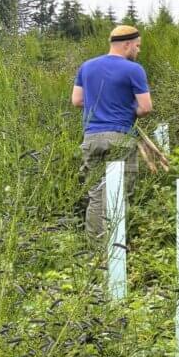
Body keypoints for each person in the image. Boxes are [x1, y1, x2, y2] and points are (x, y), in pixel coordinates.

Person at [72, 25, 152, 235]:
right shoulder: (134, 69)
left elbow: (77, 100)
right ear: (127, 44)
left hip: (91, 138)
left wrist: (100, 106)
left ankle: (96, 251)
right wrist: (125, 108)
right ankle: (115, 252)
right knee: (119, 194)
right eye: (137, 46)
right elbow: (145, 107)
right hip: (120, 138)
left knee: (97, 196)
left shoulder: (86, 67)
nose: (138, 50)